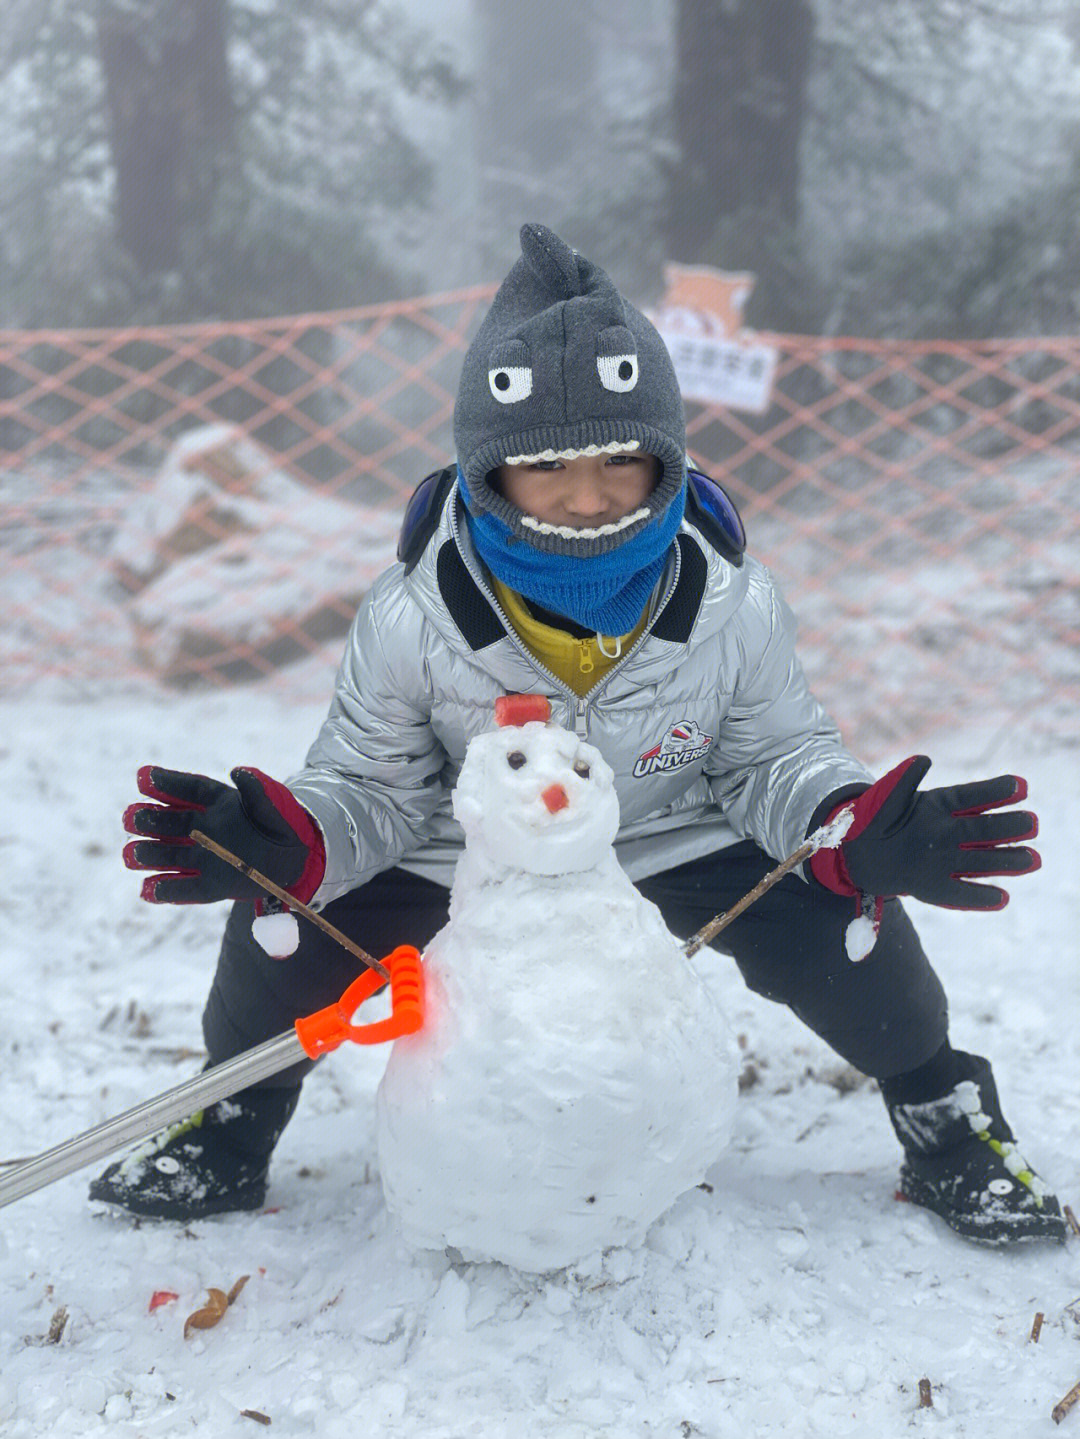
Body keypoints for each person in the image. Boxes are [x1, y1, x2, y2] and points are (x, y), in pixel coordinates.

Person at [91, 224, 1062, 1247]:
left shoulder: (733, 601)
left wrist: (849, 826)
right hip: (456, 843)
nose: (589, 497)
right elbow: (370, 783)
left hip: (671, 827)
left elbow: (774, 756)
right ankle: (232, 1110)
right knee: (284, 921)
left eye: (619, 459)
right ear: (484, 469)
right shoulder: (411, 614)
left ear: (668, 456)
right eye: (545, 468)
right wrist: (303, 843)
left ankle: (943, 1109)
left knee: (847, 924)